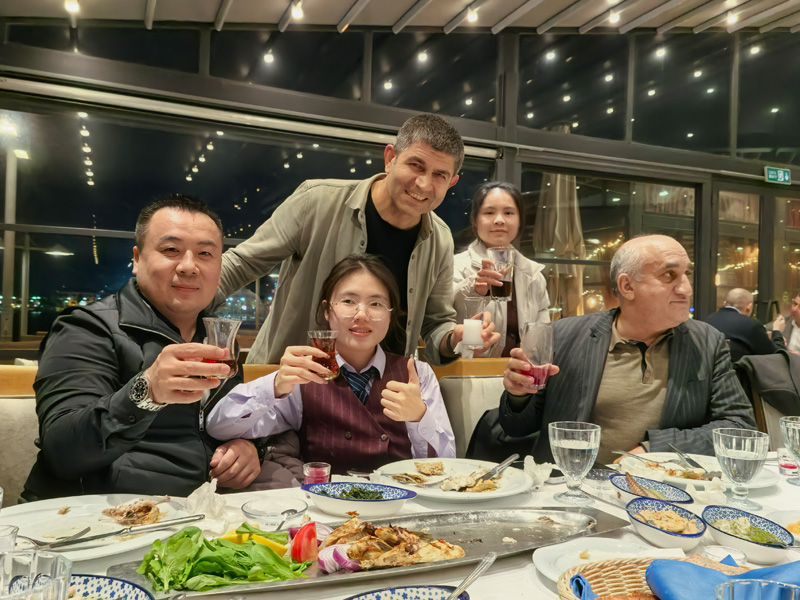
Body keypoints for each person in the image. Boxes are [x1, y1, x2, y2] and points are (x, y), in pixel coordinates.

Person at [22, 196, 266, 501]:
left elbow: (233, 420)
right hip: (95, 514)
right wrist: (146, 391)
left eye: (205, 253)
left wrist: (249, 448)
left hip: (197, 512)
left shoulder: (218, 338)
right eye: (171, 250)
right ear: (137, 259)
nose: (188, 266)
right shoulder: (86, 328)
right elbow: (62, 451)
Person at [216, 113, 498, 366]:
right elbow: (240, 264)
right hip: (292, 384)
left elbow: (435, 325)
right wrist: (188, 318)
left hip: (378, 394)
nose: (424, 184)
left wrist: (454, 339)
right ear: (390, 158)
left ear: (451, 182)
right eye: (416, 165)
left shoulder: (440, 239)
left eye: (439, 175)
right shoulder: (316, 202)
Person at [497, 234, 756, 465]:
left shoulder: (707, 342)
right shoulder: (563, 336)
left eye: (686, 274)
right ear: (627, 286)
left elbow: (739, 427)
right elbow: (517, 427)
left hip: (663, 491)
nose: (686, 289)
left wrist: (656, 450)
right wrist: (518, 395)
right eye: (669, 275)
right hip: (572, 486)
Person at [206, 254, 456, 474]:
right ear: (327, 310)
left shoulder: (417, 374)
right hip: (324, 503)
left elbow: (447, 464)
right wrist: (275, 384)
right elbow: (220, 427)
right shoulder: (304, 376)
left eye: (376, 304)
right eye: (348, 302)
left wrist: (419, 416)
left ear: (390, 314)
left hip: (399, 503)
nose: (361, 314)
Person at [453, 181, 550, 356]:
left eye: (508, 213)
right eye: (489, 212)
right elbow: (443, 326)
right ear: (475, 220)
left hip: (520, 370)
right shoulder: (456, 267)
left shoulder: (533, 275)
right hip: (470, 371)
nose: (499, 220)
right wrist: (474, 290)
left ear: (520, 220)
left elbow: (541, 337)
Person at [704, 288, 784, 363]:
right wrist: (777, 332)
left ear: (725, 304)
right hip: (738, 372)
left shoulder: (707, 321)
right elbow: (776, 357)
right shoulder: (751, 324)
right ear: (749, 306)